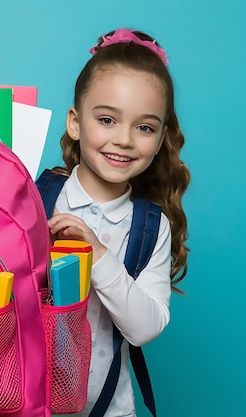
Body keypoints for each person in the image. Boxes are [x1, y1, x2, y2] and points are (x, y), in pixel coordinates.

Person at [47, 28, 191, 416]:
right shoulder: (36, 198)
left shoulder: (149, 226)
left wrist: (98, 253)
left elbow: (145, 328)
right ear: (75, 123)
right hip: (25, 403)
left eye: (144, 127)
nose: (124, 139)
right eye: (107, 119)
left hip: (109, 409)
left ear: (160, 139)